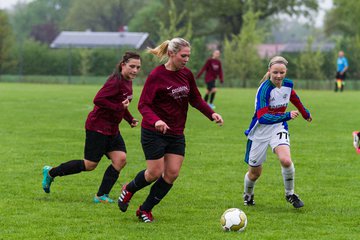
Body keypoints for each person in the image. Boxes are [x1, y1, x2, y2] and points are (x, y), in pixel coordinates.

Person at [117, 38, 224, 223]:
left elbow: (196, 99)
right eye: (183, 55)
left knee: (172, 173)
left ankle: (145, 210)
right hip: (153, 132)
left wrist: (212, 114)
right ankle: (129, 189)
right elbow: (143, 105)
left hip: (176, 133)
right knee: (154, 173)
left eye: (189, 56)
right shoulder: (157, 76)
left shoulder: (187, 74)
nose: (187, 59)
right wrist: (156, 120)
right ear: (171, 54)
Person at [41, 51, 141, 203]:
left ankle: (101, 196)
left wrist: (129, 119)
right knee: (89, 165)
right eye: (132, 66)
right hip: (98, 127)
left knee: (120, 159)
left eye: (138, 67)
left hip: (112, 129)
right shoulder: (115, 81)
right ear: (123, 65)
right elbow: (98, 99)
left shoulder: (128, 81)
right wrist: (118, 107)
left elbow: (122, 105)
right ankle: (51, 173)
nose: (135, 70)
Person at [243, 56, 312, 209]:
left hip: (278, 127)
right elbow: (263, 117)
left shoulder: (287, 84)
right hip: (260, 131)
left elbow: (294, 98)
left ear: (286, 72)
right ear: (269, 71)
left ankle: (290, 194)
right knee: (255, 173)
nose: (279, 76)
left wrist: (305, 113)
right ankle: (248, 194)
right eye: (275, 73)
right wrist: (287, 115)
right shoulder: (264, 89)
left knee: (286, 160)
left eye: (282, 72)